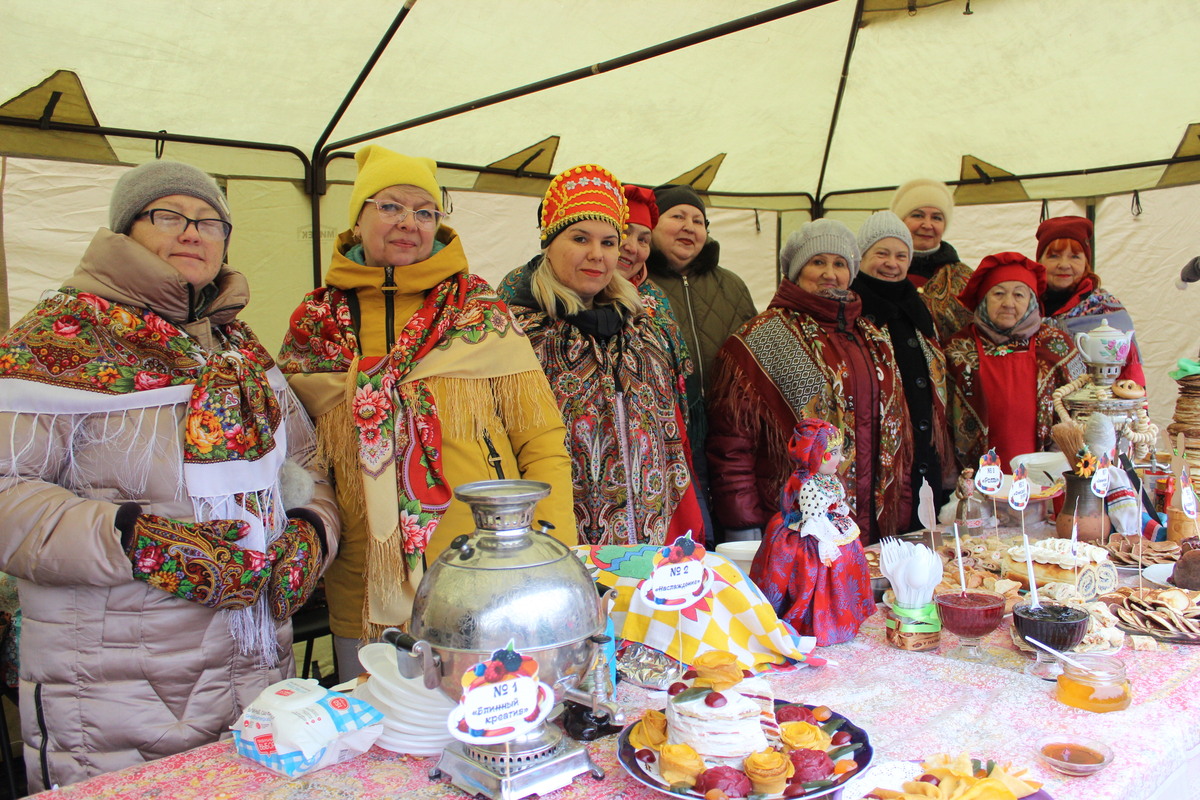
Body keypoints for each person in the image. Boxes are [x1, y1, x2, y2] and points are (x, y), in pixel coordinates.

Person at [0, 161, 338, 791]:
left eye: (210, 221)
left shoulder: (240, 348)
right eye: (169, 215)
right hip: (114, 683)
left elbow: (308, 466)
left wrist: (313, 531)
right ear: (124, 230)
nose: (192, 232)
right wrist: (138, 541)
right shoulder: (57, 340)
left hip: (257, 666)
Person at [278, 145, 575, 681]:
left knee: (482, 708)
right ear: (358, 218)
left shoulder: (478, 313)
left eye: (424, 211)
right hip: (363, 580)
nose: (408, 223)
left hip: (479, 569)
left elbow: (541, 437)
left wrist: (551, 545)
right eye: (390, 206)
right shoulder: (315, 323)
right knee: (376, 716)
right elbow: (296, 453)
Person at [500, 165, 704, 546]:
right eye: (580, 238)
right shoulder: (517, 338)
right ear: (549, 244)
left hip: (650, 550)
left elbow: (673, 447)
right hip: (556, 547)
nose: (597, 255)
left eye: (609, 243)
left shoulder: (644, 334)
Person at [708, 219, 912, 544]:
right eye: (818, 261)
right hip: (793, 526)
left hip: (872, 526)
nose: (830, 273)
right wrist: (743, 524)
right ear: (796, 270)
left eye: (840, 264)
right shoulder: (760, 339)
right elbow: (732, 445)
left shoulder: (875, 340)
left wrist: (900, 513)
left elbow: (899, 438)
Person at [645, 185, 757, 541]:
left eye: (698, 220)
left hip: (730, 441)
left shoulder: (731, 285)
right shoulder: (637, 287)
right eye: (677, 216)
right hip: (671, 440)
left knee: (734, 534)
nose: (689, 227)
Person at [851, 211, 954, 529]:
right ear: (861, 256)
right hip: (876, 456)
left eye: (900, 256)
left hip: (924, 452)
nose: (892, 264)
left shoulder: (919, 308)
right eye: (881, 253)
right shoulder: (852, 309)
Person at [945, 252, 1086, 470]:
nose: (1008, 303)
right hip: (976, 476)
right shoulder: (957, 348)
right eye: (998, 294)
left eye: (1019, 295)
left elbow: (1080, 410)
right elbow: (943, 421)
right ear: (983, 299)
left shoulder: (1056, 344)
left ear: (1032, 301)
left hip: (1046, 474)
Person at [750, 420, 874, 646]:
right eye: (834, 453)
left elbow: (835, 506)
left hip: (829, 525)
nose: (841, 459)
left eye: (839, 452)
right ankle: (815, 623)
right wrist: (826, 543)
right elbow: (813, 521)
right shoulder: (809, 485)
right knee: (811, 575)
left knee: (846, 567)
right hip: (811, 534)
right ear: (818, 456)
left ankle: (843, 618)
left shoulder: (829, 479)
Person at [1036, 215, 1145, 385]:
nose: (1064, 264)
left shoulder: (1106, 310)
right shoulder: (1021, 308)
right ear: (1039, 261)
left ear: (1086, 262)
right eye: (1054, 256)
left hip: (1097, 400)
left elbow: (1131, 376)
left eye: (1075, 256)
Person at [890, 178, 974, 346]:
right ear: (900, 221)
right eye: (918, 215)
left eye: (936, 218)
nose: (927, 225)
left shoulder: (964, 278)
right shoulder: (879, 270)